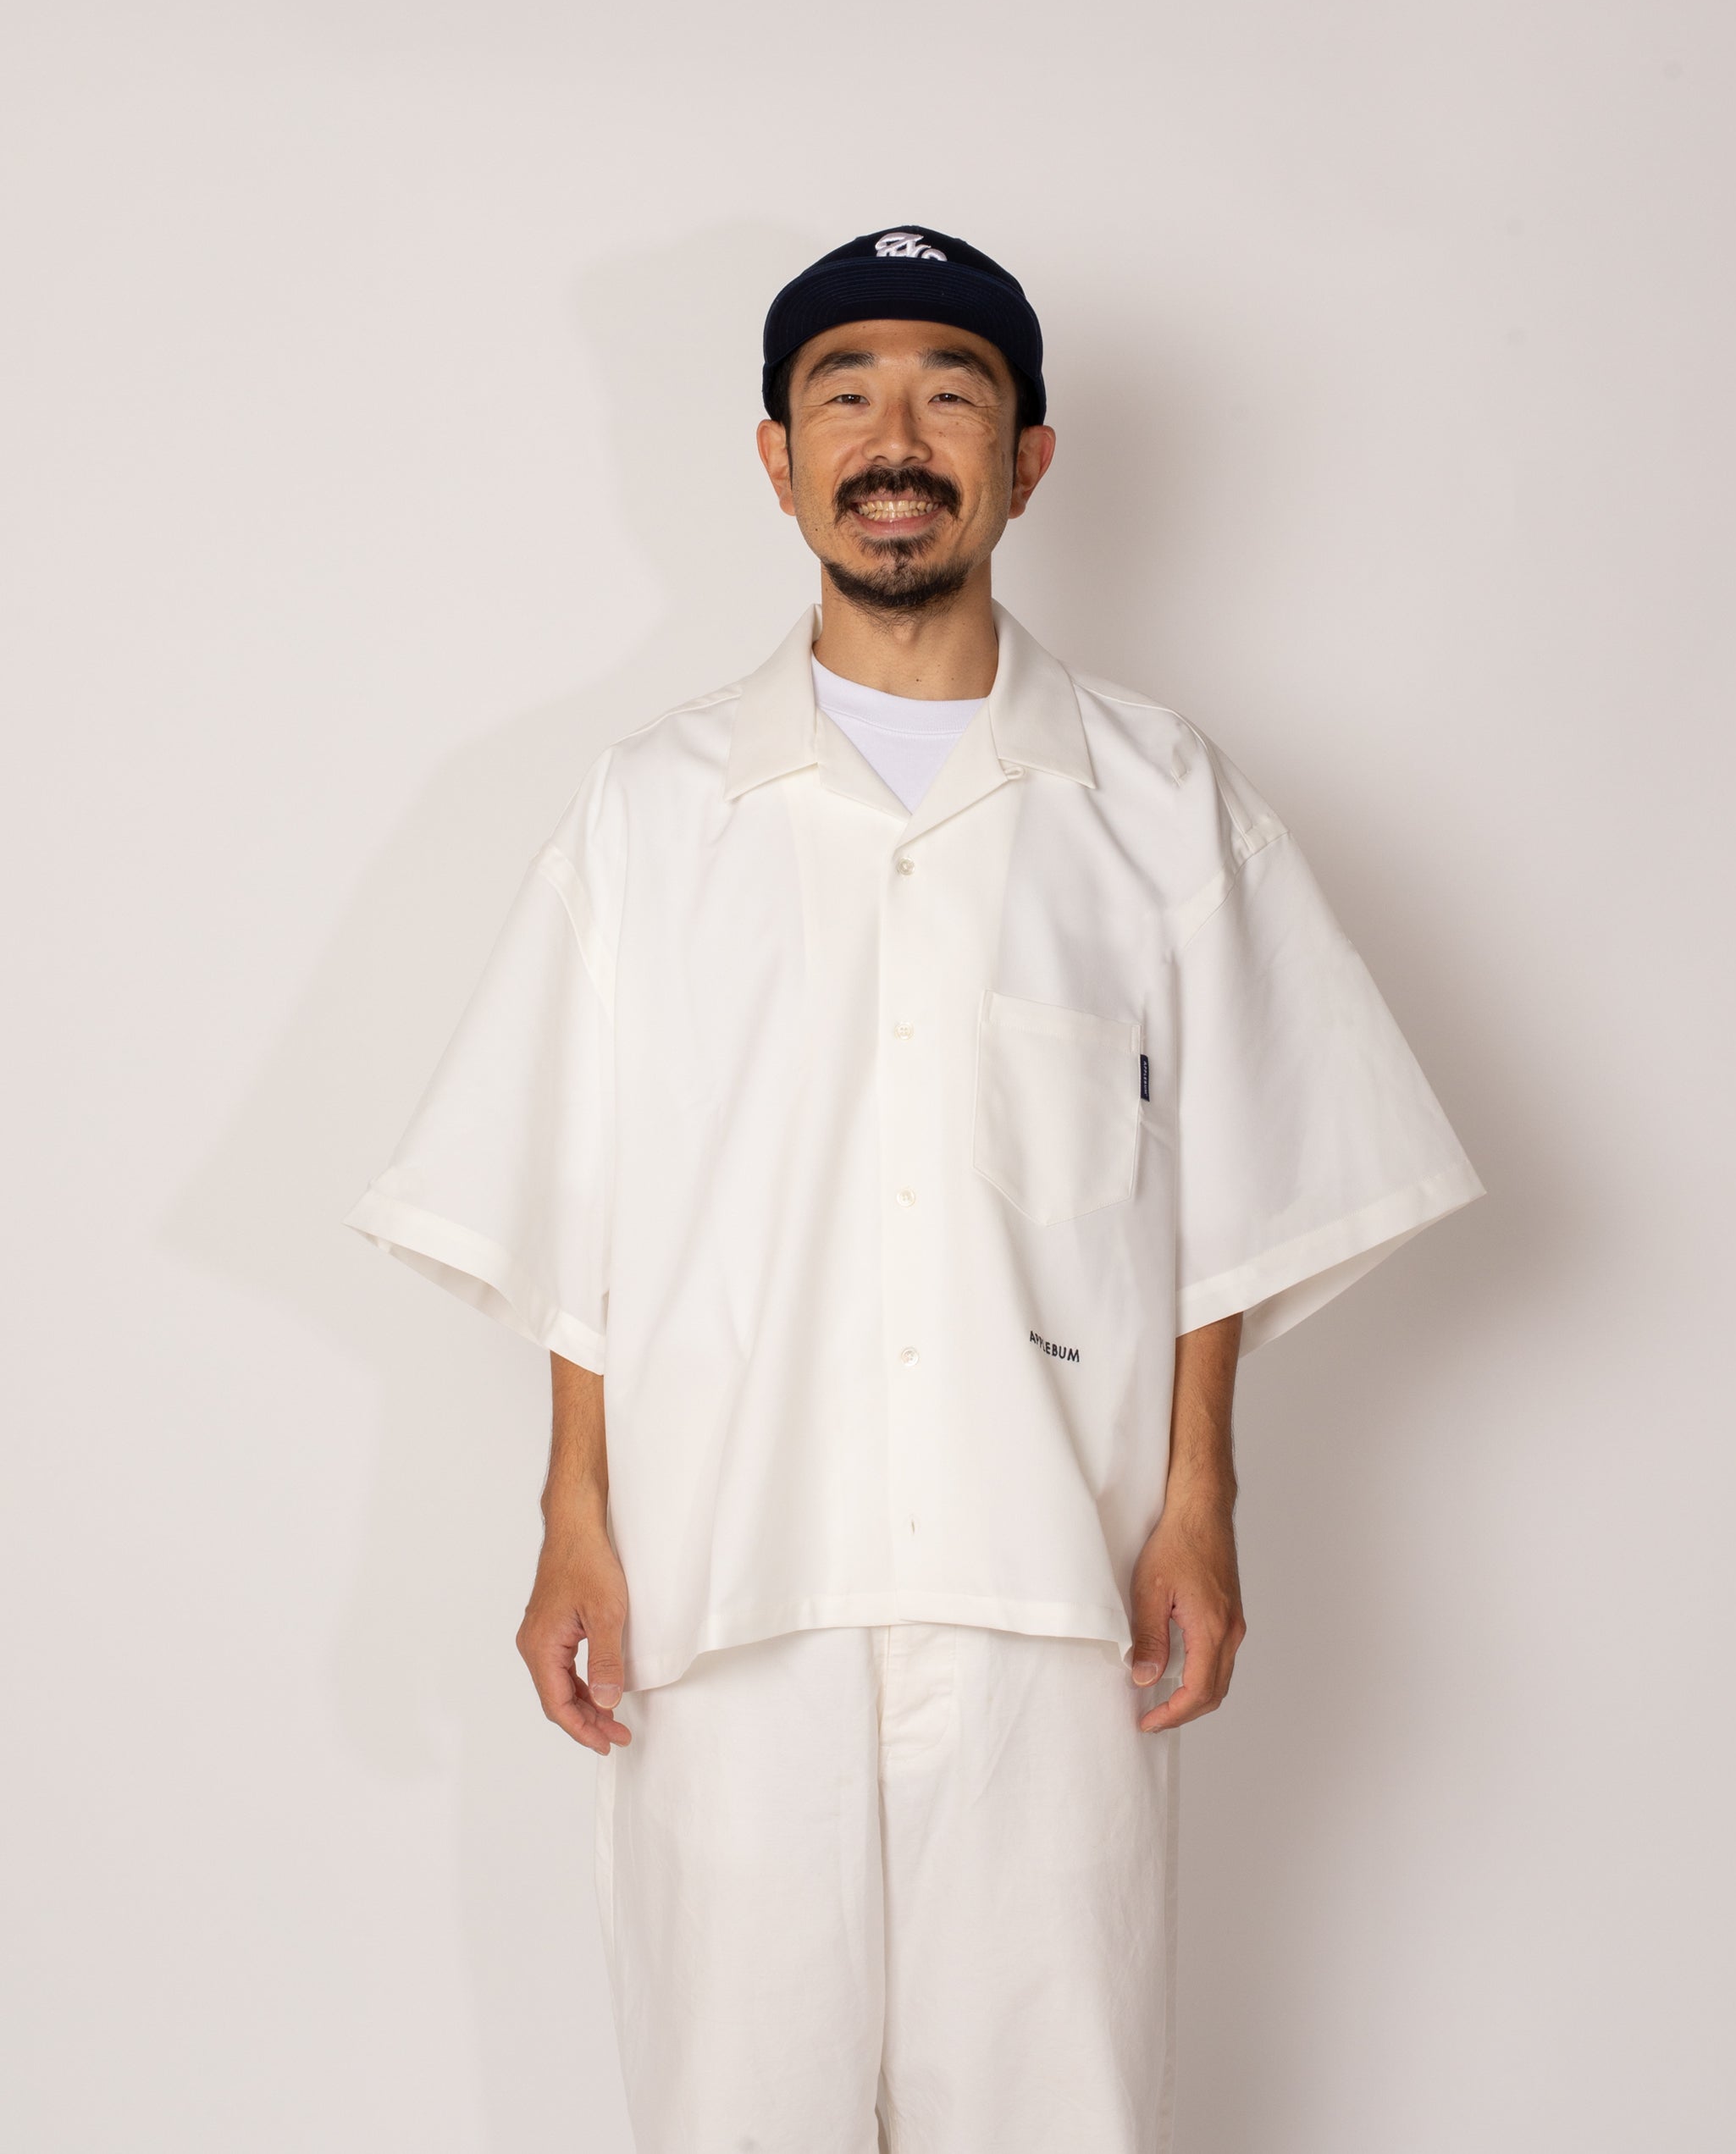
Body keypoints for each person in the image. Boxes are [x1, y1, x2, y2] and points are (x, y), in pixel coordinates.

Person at [345, 224, 1484, 2152]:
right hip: (727, 1588)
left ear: (1025, 459)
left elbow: (1237, 1183)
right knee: (732, 2115)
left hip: (1051, 1592)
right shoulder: (653, 811)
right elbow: (575, 1196)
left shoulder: (1158, 800)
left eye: (952, 395)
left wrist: (1198, 1501)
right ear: (778, 460)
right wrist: (573, 1515)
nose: (897, 438)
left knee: (1061, 2115)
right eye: (846, 394)